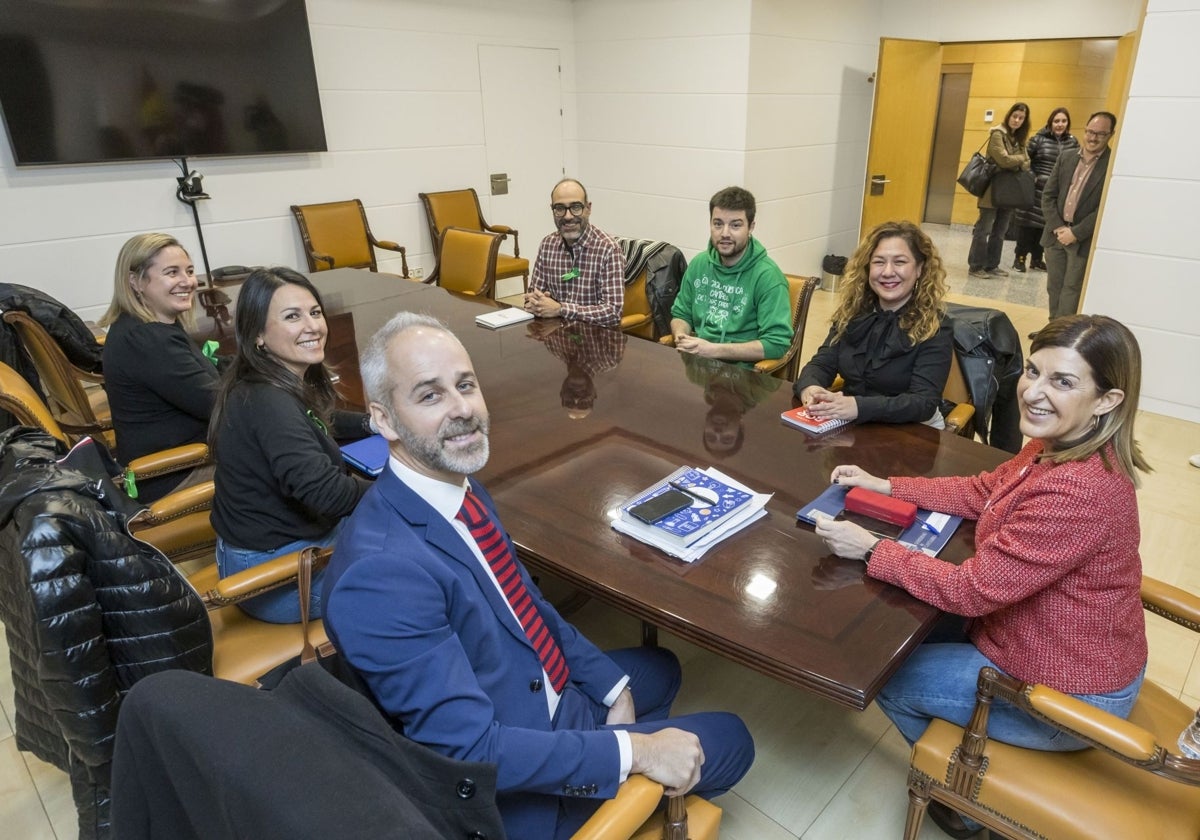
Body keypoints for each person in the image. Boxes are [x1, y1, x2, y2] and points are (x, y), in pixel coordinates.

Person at [323, 312, 755, 840]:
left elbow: (526, 607)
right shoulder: (380, 576)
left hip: (529, 692)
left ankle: (629, 767)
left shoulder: (457, 488)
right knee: (734, 737)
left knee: (658, 668)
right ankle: (617, 798)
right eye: (430, 396)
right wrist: (635, 750)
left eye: (465, 385)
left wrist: (610, 690)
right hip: (512, 786)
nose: (463, 410)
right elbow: (471, 751)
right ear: (385, 420)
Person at [814, 314, 1150, 838]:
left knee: (883, 671)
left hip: (1068, 688)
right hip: (1034, 636)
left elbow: (972, 590)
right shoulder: (1056, 445)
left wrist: (871, 548)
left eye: (1062, 382)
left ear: (1107, 400)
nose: (1034, 393)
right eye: (1033, 371)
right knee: (892, 625)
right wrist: (887, 485)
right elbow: (983, 490)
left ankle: (966, 804)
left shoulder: (1080, 490)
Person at [208, 267, 370, 623]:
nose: (313, 326)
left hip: (286, 544)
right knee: (423, 574)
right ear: (258, 335)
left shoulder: (266, 379)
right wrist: (400, 486)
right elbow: (328, 494)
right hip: (277, 576)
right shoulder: (268, 402)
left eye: (314, 312)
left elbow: (317, 418)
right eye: (292, 317)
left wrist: (370, 424)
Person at [794, 221, 953, 428]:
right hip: (855, 422)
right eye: (879, 262)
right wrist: (811, 389)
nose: (887, 272)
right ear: (867, 268)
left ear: (920, 268)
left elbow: (923, 403)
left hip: (913, 429)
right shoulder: (852, 312)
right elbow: (822, 364)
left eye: (900, 262)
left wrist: (858, 407)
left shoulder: (936, 325)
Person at [99, 233, 219, 502]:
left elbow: (201, 370)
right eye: (171, 272)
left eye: (189, 271)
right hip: (173, 476)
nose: (188, 281)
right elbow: (219, 404)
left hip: (180, 463)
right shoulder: (148, 341)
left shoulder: (146, 327)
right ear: (136, 281)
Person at [669, 186, 793, 366]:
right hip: (696, 371)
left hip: (744, 379)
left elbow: (776, 344)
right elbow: (681, 314)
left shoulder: (768, 277)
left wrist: (712, 349)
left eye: (735, 225)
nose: (725, 233)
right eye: (718, 224)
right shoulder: (699, 264)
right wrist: (681, 336)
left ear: (751, 227)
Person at [1040, 111, 1117, 323]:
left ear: (1111, 134)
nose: (1093, 138)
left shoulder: (1112, 164)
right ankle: (1053, 326)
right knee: (1054, 286)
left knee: (1071, 289)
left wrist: (1075, 232)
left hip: (1080, 238)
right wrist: (1057, 227)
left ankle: (1063, 332)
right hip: (1055, 234)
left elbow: (1104, 207)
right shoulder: (1066, 156)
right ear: (1084, 130)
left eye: (1100, 134)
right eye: (1090, 132)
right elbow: (1048, 195)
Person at [525, 178, 625, 327]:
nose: (568, 216)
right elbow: (532, 299)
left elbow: (612, 313)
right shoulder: (547, 245)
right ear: (552, 210)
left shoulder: (608, 249)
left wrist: (561, 309)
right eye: (560, 208)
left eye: (576, 207)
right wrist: (535, 303)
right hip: (555, 341)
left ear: (588, 208)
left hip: (594, 342)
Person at [967, 103, 1031, 278]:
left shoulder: (1019, 138)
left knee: (1000, 231)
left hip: (1009, 192)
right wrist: (1018, 160)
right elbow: (1003, 160)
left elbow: (1027, 163)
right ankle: (976, 265)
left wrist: (1016, 160)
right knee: (984, 229)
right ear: (1009, 116)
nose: (1017, 120)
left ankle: (991, 265)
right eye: (1015, 116)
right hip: (991, 190)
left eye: (1021, 118)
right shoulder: (997, 134)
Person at [1012, 107, 1079, 273]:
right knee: (1027, 225)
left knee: (1045, 226)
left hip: (1057, 193)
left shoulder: (1072, 142)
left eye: (1063, 121)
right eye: (1056, 121)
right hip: (1035, 190)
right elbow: (1025, 161)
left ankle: (1037, 258)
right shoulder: (1038, 140)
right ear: (1050, 122)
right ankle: (1019, 258)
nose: (1060, 124)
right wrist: (1032, 175)